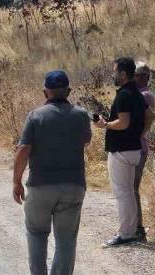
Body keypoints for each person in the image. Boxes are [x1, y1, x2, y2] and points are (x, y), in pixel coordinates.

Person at [13, 70, 92, 275]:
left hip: (40, 187)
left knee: (37, 234)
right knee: (66, 240)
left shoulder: (36, 116)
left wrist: (16, 182)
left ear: (45, 92)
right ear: (69, 91)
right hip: (73, 186)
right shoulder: (81, 115)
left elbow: (23, 150)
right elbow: (86, 140)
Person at [95, 57, 147, 247]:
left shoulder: (124, 94)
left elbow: (123, 123)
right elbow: (149, 115)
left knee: (122, 193)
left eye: (115, 71)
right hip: (134, 149)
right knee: (129, 192)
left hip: (121, 150)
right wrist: (141, 133)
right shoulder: (137, 93)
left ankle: (125, 234)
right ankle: (130, 231)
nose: (113, 75)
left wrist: (105, 124)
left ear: (123, 74)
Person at [134, 61, 155, 241]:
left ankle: (138, 228)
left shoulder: (144, 96)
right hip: (137, 147)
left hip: (139, 148)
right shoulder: (140, 94)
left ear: (142, 77)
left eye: (134, 75)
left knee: (132, 189)